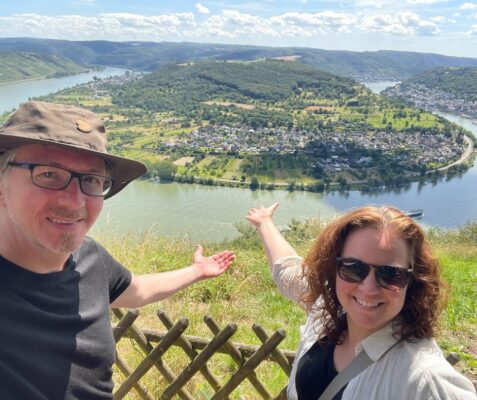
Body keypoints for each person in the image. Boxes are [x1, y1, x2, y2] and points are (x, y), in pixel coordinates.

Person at [0, 101, 235, 400]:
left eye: (91, 180)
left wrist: (196, 271)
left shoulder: (90, 258)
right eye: (48, 174)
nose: (74, 202)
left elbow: (135, 290)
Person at [246, 203, 476, 400]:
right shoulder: (326, 307)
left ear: (413, 281)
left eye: (390, 274)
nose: (368, 288)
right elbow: (286, 270)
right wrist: (264, 223)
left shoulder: (423, 377)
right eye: (353, 268)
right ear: (333, 269)